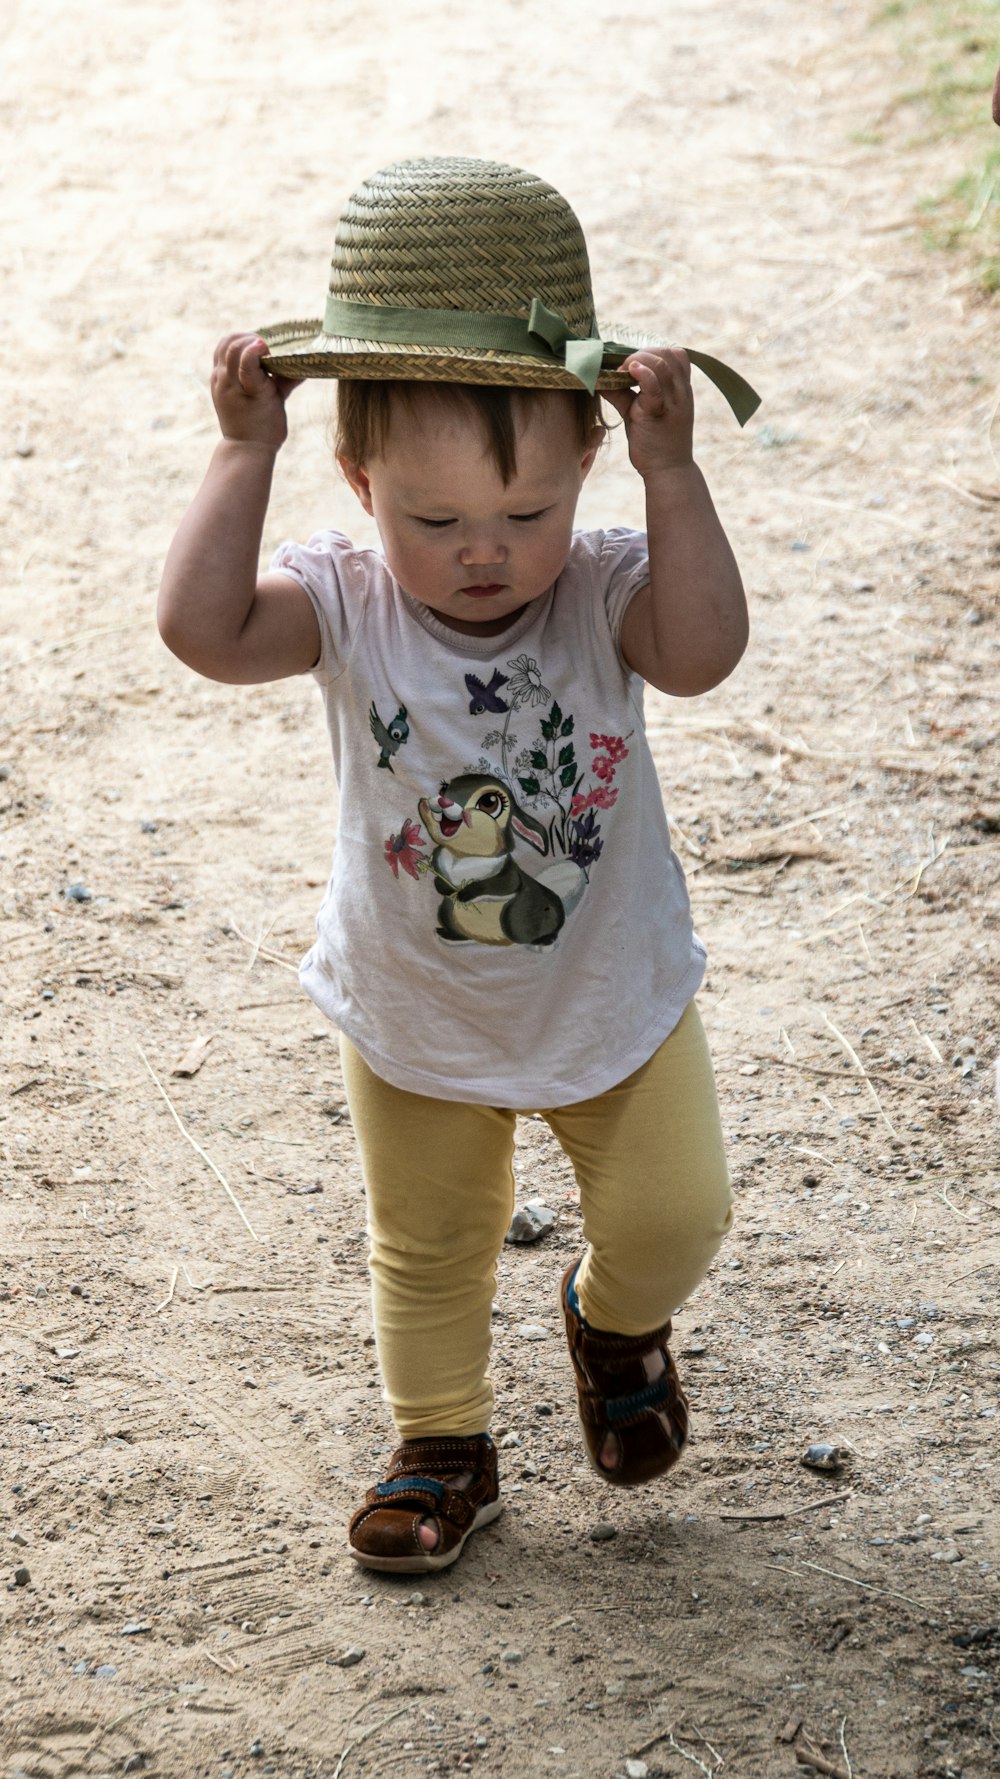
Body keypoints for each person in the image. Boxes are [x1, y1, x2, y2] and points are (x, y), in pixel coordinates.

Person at [159, 156, 759, 1574]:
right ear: (360, 480)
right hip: (417, 1004)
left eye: (525, 513)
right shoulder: (346, 599)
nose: (487, 554)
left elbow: (704, 655)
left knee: (678, 1214)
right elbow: (201, 631)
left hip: (611, 990)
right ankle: (443, 1446)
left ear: (584, 469)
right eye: (434, 522)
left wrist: (676, 474)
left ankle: (614, 1325)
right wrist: (241, 453)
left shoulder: (609, 586)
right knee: (427, 1246)